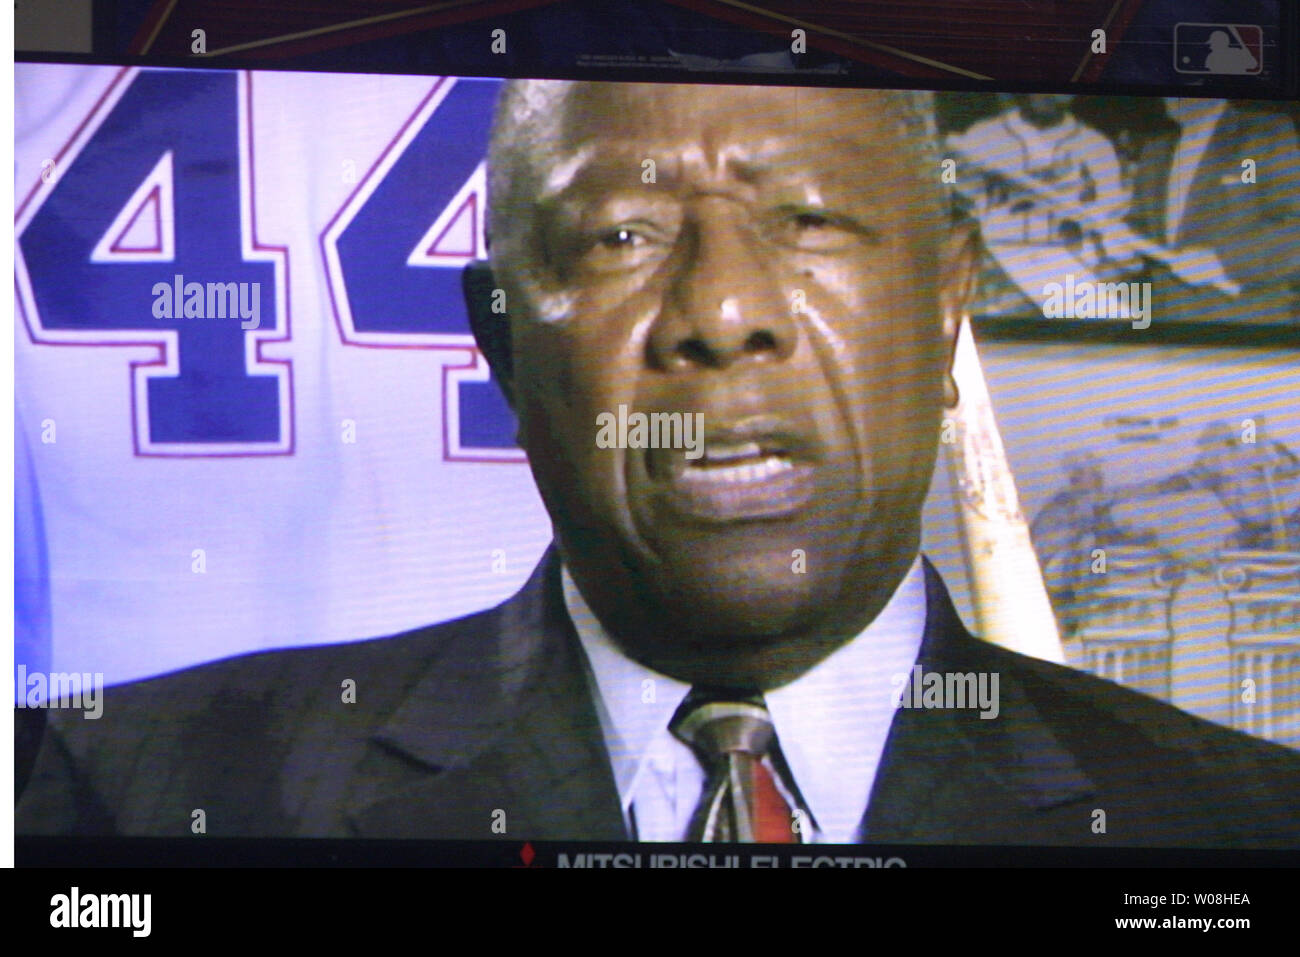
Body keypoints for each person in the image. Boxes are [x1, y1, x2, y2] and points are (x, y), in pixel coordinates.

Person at [16, 81, 1299, 846]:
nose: (721, 309)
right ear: (504, 341)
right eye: (623, 234)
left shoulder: (1238, 826)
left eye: (808, 220)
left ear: (947, 302)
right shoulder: (118, 792)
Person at [1124, 98, 1300, 325]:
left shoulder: (1264, 132)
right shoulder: (1155, 149)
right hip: (1164, 323)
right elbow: (1140, 226)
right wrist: (1123, 247)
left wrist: (1219, 261)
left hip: (1241, 325)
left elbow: (1293, 230)